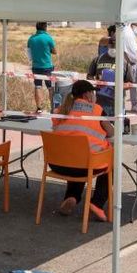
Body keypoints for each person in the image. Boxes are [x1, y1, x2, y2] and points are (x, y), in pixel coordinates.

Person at [51, 80, 114, 222]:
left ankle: (72, 197)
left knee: (78, 156)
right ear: (87, 94)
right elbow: (110, 132)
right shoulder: (96, 110)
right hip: (83, 166)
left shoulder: (61, 109)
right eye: (93, 92)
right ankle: (97, 203)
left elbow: (55, 128)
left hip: (57, 164)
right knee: (111, 159)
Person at [87, 37, 132, 117]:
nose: (113, 48)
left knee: (117, 126)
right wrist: (95, 83)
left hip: (117, 102)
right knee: (100, 125)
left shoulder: (125, 62)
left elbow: (130, 83)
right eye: (111, 46)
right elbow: (89, 76)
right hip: (100, 101)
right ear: (108, 46)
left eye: (115, 46)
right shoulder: (98, 59)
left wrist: (121, 87)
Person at [27, 22, 57, 112]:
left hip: (36, 66)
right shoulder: (48, 38)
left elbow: (29, 53)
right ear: (45, 27)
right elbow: (55, 51)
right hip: (47, 66)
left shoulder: (31, 38)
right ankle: (53, 107)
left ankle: (39, 108)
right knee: (50, 88)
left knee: (37, 86)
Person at [124, 23, 137, 112]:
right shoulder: (125, 31)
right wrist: (128, 63)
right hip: (129, 63)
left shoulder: (133, 37)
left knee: (134, 85)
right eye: (136, 28)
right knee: (125, 84)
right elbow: (124, 51)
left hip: (136, 63)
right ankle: (124, 104)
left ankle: (134, 104)